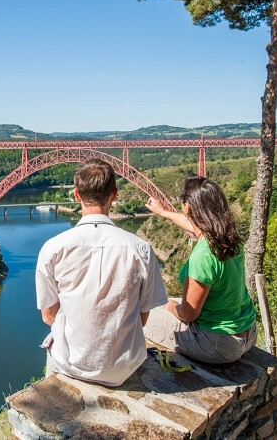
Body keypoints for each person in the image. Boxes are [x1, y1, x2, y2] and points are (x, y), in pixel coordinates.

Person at [35, 158, 168, 386]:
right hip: (124, 367)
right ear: (114, 195)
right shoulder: (141, 249)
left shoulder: (52, 248)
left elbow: (48, 316)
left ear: (76, 195)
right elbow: (143, 317)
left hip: (71, 364)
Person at [144, 176, 257, 364]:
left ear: (187, 207)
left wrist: (169, 306)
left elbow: (188, 314)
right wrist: (163, 212)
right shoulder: (229, 236)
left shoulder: (202, 256)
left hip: (219, 345)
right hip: (247, 333)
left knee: (144, 313)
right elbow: (195, 226)